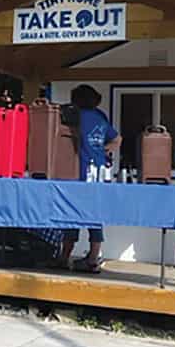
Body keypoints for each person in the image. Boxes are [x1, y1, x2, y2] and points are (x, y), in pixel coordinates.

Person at [59, 84, 122, 273]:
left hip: (77, 171)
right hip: (99, 172)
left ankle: (64, 257)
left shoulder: (73, 116)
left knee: (72, 215)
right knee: (95, 216)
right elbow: (118, 139)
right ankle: (93, 259)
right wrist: (105, 150)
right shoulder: (100, 116)